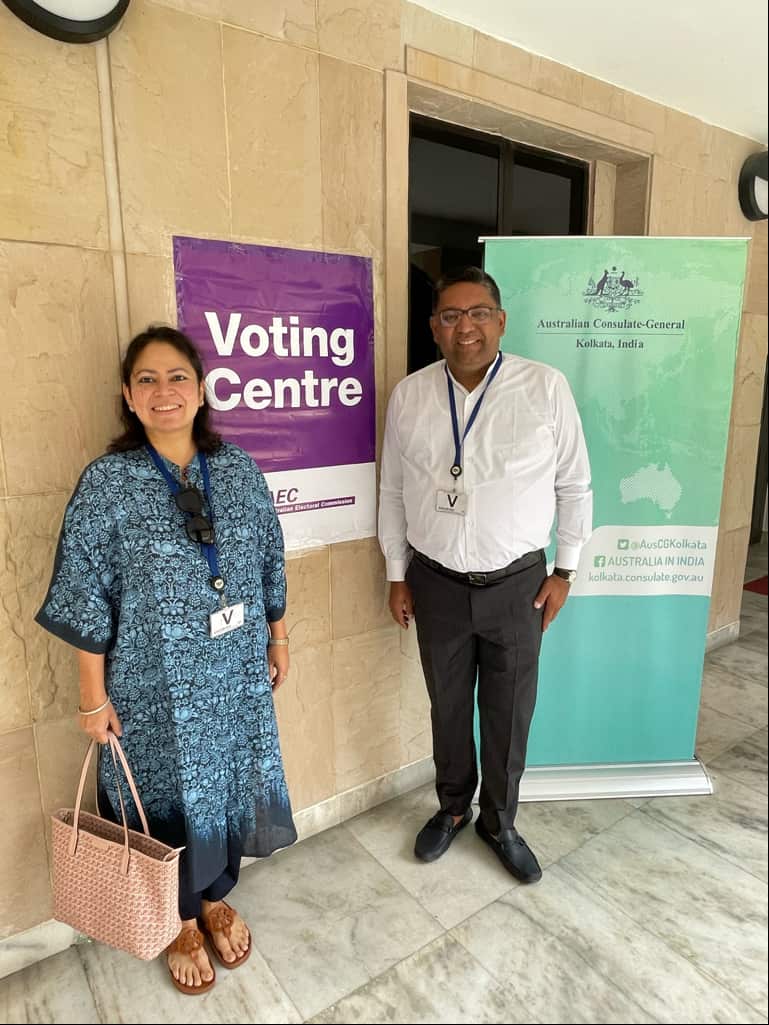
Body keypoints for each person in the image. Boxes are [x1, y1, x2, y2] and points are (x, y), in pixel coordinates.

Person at [36, 325, 296, 994]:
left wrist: (279, 635)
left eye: (177, 376)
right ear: (127, 395)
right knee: (166, 801)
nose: (164, 391)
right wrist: (92, 696)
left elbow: (269, 554)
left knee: (227, 785)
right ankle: (179, 914)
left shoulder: (237, 468)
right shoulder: (107, 483)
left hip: (235, 675)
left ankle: (214, 895)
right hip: (154, 690)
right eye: (146, 379)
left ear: (202, 387)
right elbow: (83, 593)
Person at [378, 267, 592, 883]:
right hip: (435, 583)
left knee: (508, 712)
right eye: (450, 315)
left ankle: (499, 823)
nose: (464, 326)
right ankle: (451, 809)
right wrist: (398, 573)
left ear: (500, 321)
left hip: (518, 588)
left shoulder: (544, 389)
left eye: (477, 313)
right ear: (434, 328)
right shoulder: (411, 395)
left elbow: (575, 484)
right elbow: (392, 489)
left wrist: (566, 569)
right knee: (448, 708)